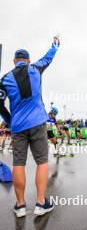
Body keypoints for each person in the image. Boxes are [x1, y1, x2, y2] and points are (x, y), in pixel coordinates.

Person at [0, 36, 60, 217]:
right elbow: (48, 57)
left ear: (14, 61)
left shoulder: (4, 79)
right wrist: (55, 45)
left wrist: (10, 120)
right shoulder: (36, 68)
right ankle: (41, 202)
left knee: (18, 163)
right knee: (41, 162)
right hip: (37, 122)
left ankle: (20, 206)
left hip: (17, 126)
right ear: (28, 60)